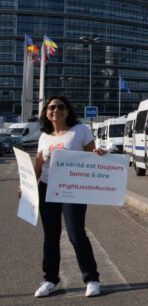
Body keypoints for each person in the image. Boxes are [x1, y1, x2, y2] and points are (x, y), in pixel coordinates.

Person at [32, 96, 106, 298]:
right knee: (51, 236)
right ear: (46, 112)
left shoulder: (80, 130)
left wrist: (99, 153)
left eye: (61, 107)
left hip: (72, 189)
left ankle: (92, 279)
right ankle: (49, 279)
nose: (56, 110)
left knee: (76, 233)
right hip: (47, 188)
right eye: (51, 107)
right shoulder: (44, 136)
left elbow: (93, 154)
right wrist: (28, 186)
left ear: (67, 110)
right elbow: (38, 166)